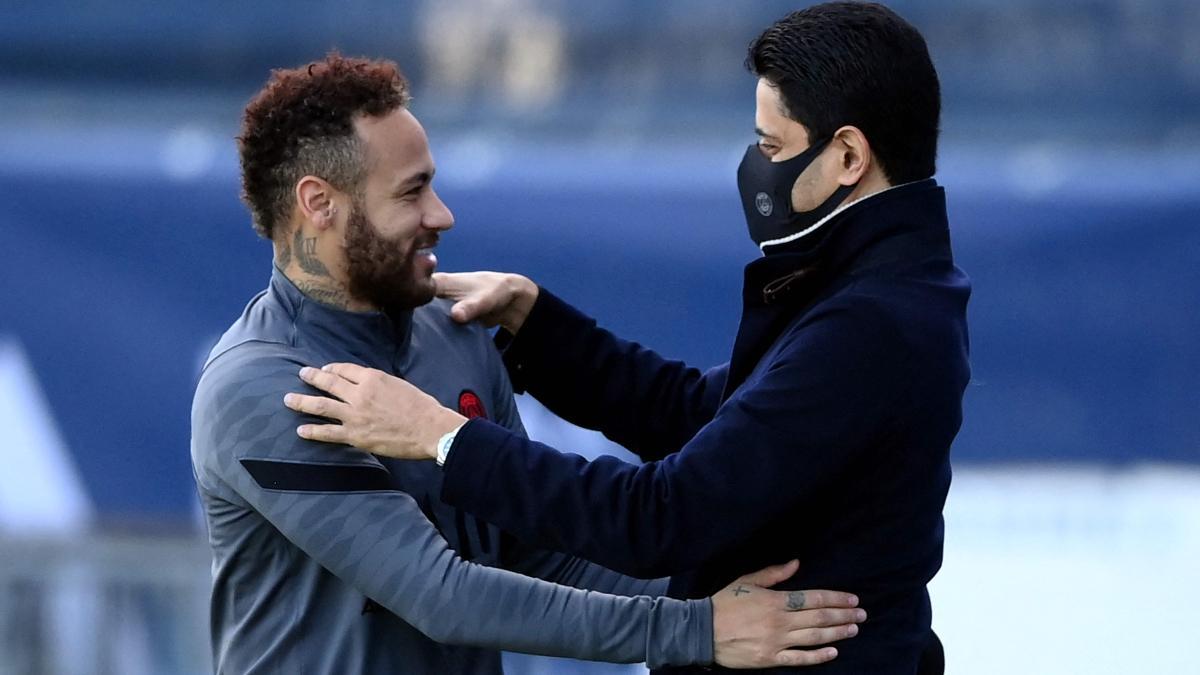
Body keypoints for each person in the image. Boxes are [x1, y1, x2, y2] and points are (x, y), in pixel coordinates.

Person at [285, 4, 968, 674]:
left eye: (772, 146)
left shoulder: (873, 325)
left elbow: (660, 516)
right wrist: (538, 324)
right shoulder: (863, 283)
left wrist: (443, 439)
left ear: (848, 154)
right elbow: (698, 413)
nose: (756, 165)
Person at [190, 53, 867, 674]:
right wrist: (697, 627)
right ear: (319, 204)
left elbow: (533, 549)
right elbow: (441, 593)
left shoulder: (453, 332)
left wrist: (708, 594)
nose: (442, 214)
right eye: (411, 192)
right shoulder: (259, 386)